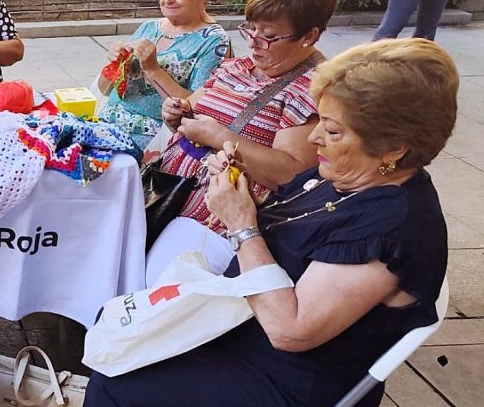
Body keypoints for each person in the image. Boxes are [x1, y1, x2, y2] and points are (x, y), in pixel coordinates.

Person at [85, 38, 456, 407]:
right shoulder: (348, 175)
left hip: (288, 379)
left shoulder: (390, 223)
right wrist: (240, 183)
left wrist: (240, 222)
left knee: (115, 381)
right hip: (241, 328)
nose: (314, 137)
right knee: (116, 330)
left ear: (394, 147)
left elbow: (290, 331)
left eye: (333, 130)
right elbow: (293, 226)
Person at [147, 0, 339, 279]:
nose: (254, 43)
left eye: (270, 37)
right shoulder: (238, 67)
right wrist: (176, 113)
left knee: (152, 295)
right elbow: (194, 109)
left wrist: (219, 136)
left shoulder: (310, 90)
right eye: (251, 30)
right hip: (166, 195)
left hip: (214, 224)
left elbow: (292, 175)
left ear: (309, 36)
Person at [97, 0, 230, 156]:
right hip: (106, 128)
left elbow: (199, 109)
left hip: (154, 143)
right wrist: (114, 64)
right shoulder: (149, 27)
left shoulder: (215, 42)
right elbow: (104, 90)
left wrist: (153, 70)